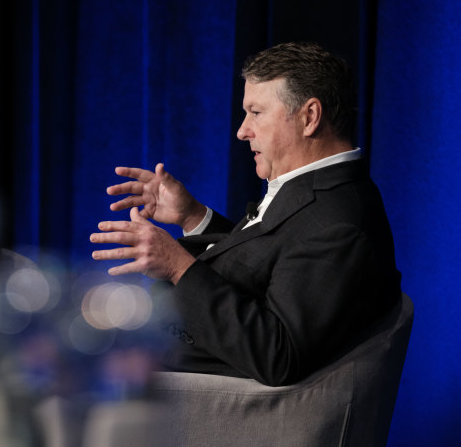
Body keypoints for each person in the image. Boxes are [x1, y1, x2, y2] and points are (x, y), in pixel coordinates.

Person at [90, 41, 401, 386]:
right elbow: (265, 263)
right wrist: (192, 217)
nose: (242, 131)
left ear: (309, 117)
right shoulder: (315, 191)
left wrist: (179, 266)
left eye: (256, 112)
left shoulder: (338, 223)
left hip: (194, 402)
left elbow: (278, 355)